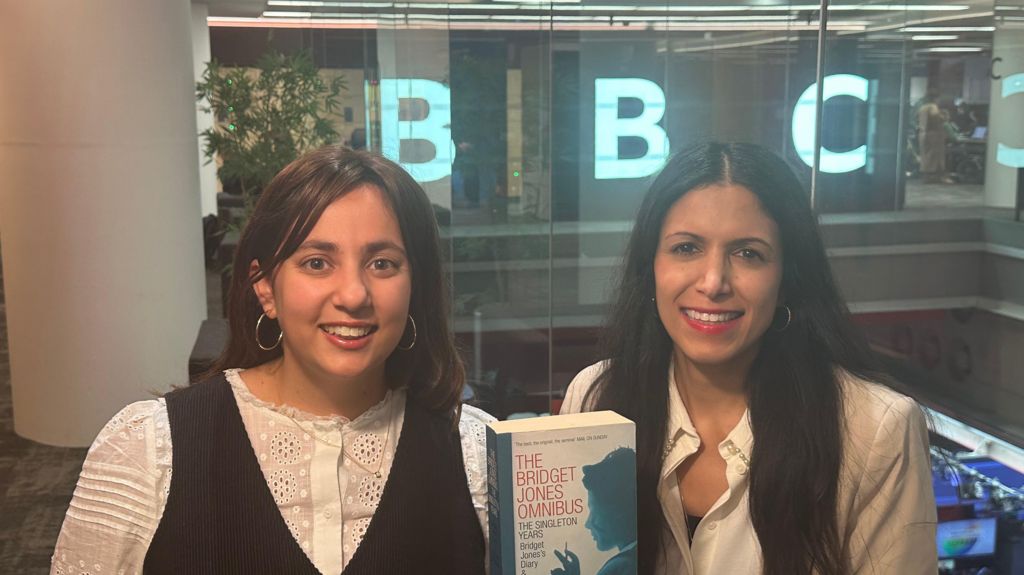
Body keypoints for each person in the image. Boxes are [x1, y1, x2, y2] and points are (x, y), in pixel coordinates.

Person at [51, 146, 493, 574]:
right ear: (264, 288)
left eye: (382, 263)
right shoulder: (149, 451)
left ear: (415, 285)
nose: (354, 295)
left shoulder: (477, 454)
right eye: (317, 263)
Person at [560, 142, 936, 575]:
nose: (714, 281)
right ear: (652, 267)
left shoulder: (875, 430)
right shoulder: (595, 396)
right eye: (686, 248)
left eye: (748, 253)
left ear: (786, 278)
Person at [552, 447, 639, 575]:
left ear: (618, 514)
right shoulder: (635, 556)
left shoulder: (621, 566)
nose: (588, 524)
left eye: (594, 510)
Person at [918, 88, 953, 184]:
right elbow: (936, 116)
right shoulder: (932, 106)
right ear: (935, 98)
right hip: (933, 135)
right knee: (934, 157)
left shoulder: (922, 108)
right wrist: (945, 115)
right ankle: (936, 177)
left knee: (926, 156)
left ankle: (926, 176)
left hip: (923, 134)